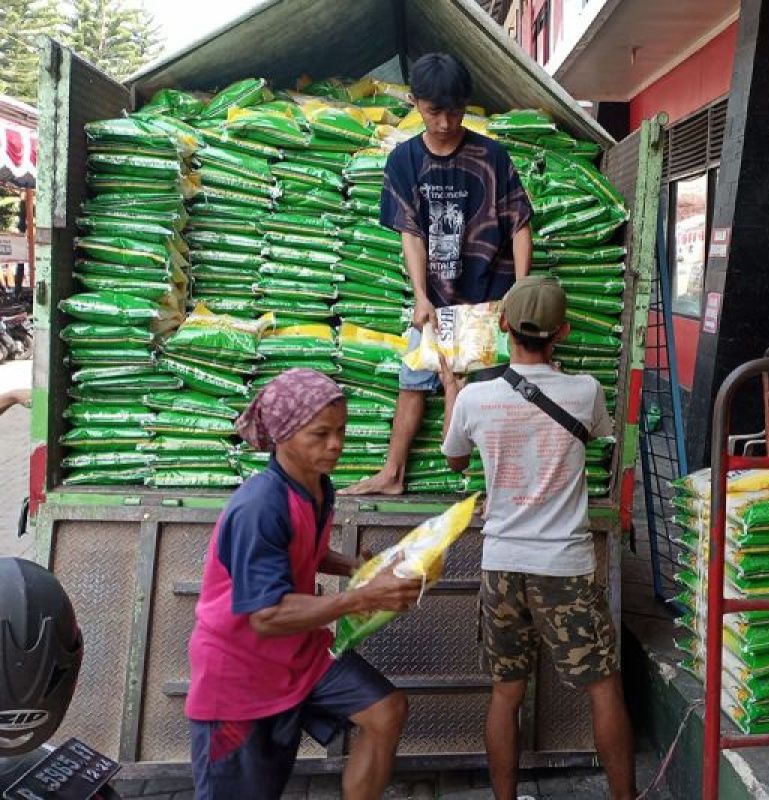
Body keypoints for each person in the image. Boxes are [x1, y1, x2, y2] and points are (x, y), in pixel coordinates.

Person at [438, 277, 636, 800]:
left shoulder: (476, 398)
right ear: (562, 332)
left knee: (505, 695)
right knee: (603, 688)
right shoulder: (586, 391)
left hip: (501, 565)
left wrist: (452, 392)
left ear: (502, 324)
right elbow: (596, 433)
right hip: (564, 568)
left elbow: (455, 459)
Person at [186, 369, 424, 800]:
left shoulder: (318, 488)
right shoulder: (260, 506)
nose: (335, 444)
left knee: (385, 711)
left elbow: (304, 550)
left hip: (298, 655)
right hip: (239, 675)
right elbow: (267, 614)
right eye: (320, 434)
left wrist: (356, 568)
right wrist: (364, 596)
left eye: (341, 431)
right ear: (282, 434)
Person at [344, 52, 533, 496]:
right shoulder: (404, 161)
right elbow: (410, 232)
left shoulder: (492, 156)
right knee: (412, 383)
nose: (446, 122)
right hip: (437, 299)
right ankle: (393, 473)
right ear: (413, 101)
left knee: (491, 393)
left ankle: (492, 490)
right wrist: (420, 297)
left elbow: (520, 223)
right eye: (434, 111)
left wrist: (520, 289)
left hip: (490, 297)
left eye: (455, 110)